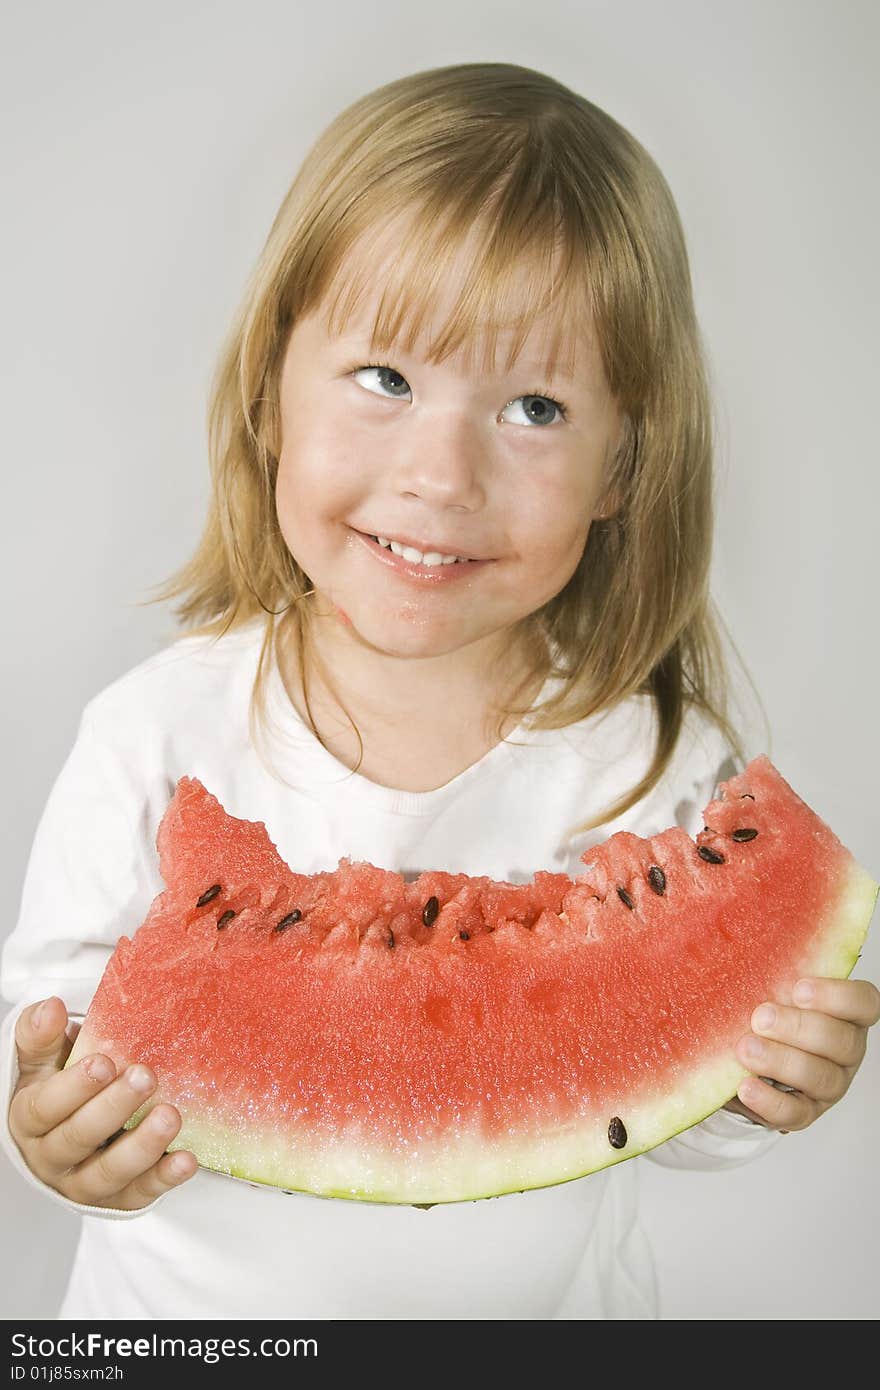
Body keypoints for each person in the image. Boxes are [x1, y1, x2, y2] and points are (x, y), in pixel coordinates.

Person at [2, 61, 877, 1322]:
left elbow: (650, 1110)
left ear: (624, 464)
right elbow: (60, 1025)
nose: (440, 473)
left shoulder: (647, 763)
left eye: (533, 406)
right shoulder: (156, 733)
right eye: (387, 380)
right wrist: (57, 1138)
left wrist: (752, 1090)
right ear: (268, 392)